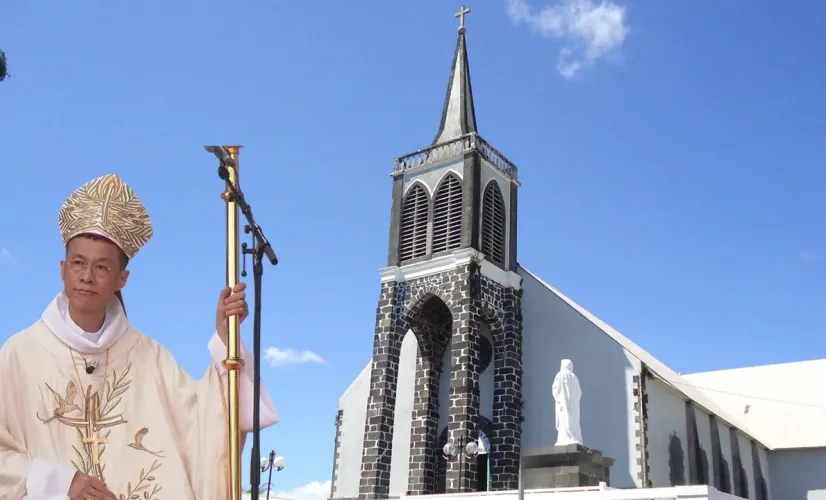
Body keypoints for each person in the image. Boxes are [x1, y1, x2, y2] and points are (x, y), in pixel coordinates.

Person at [0, 173, 279, 499]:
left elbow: (203, 431)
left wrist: (224, 339)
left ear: (122, 279)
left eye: (102, 268)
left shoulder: (151, 358)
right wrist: (59, 482)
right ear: (63, 269)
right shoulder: (20, 354)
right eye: (78, 263)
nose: (87, 277)